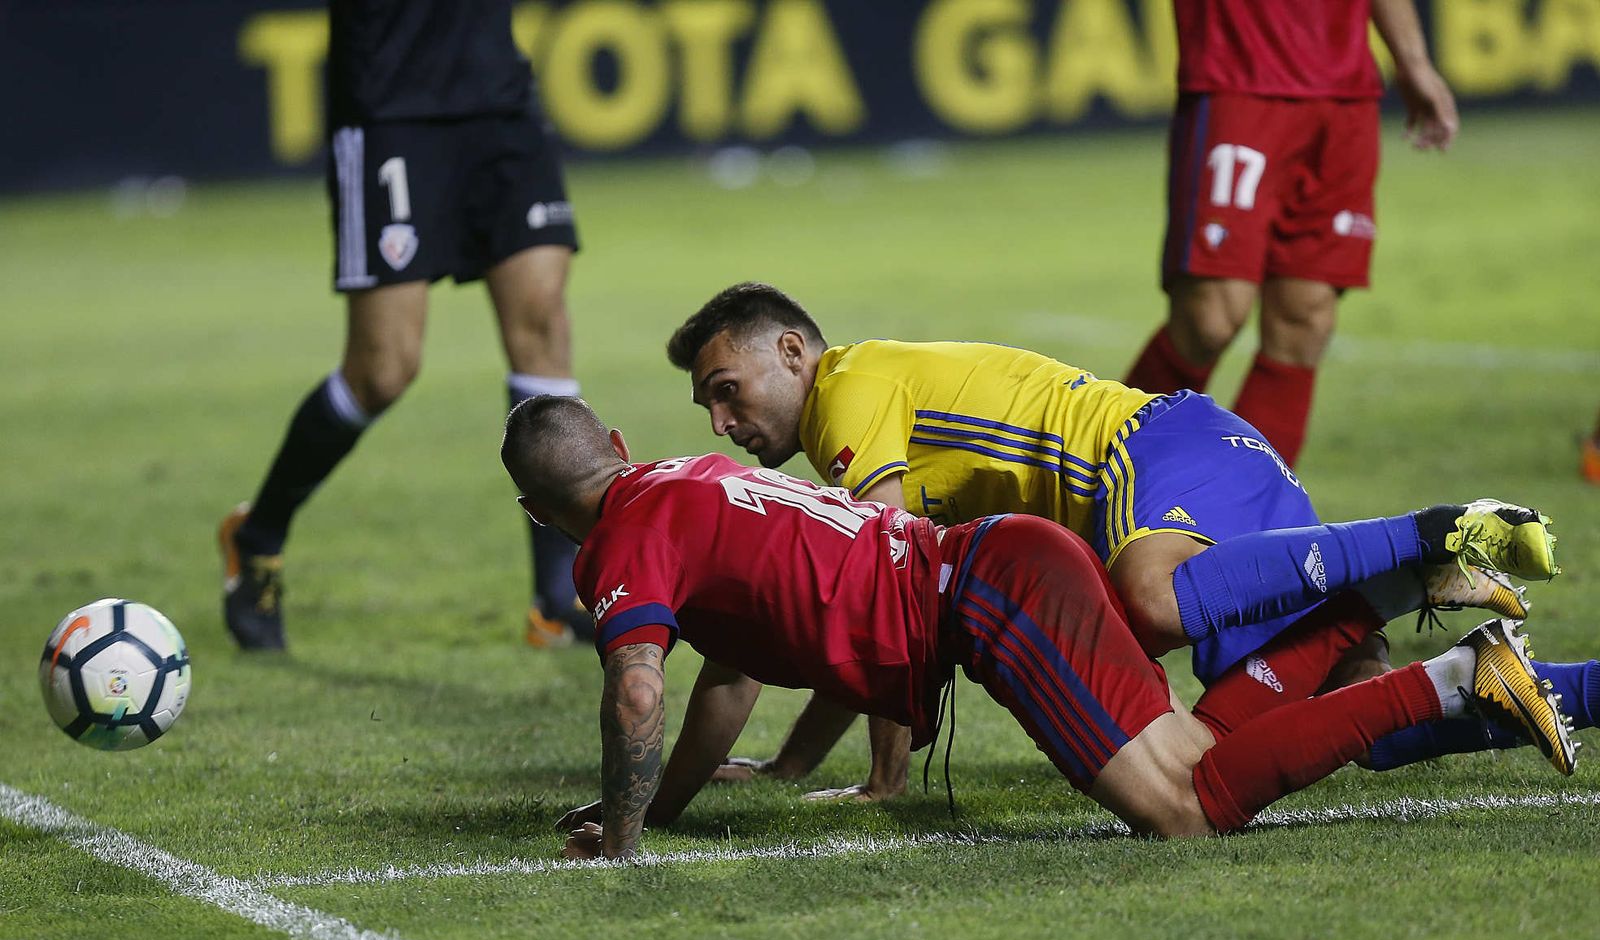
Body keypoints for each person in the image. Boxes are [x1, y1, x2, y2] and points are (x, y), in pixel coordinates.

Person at [498, 396, 1574, 861]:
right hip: (1002, 564)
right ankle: (1381, 591)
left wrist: (621, 849)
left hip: (995, 600)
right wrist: (659, 808)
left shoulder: (623, 541)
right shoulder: (696, 479)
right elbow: (723, 675)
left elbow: (638, 686)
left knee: (1190, 810)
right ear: (619, 439)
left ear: (542, 513)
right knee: (1202, 754)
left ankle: (1455, 679)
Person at [664, 282, 1558, 796]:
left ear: (790, 350)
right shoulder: (869, 414)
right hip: (1227, 472)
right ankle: (1546, 684)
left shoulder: (846, 389)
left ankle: (1423, 543)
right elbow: (876, 619)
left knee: (1148, 605)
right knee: (1351, 718)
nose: (719, 420)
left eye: (726, 388)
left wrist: (883, 781)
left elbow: (877, 602)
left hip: (1155, 452)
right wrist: (793, 766)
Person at [218, 0, 589, 651]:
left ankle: (557, 595)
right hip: (391, 102)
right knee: (383, 369)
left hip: (497, 95)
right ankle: (259, 535)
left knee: (542, 322)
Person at [1122, 0, 1458, 467]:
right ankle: (1101, 478)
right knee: (1210, 317)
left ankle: (1237, 517)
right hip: (1237, 75)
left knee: (1306, 317)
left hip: (1344, 95)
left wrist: (1413, 59)